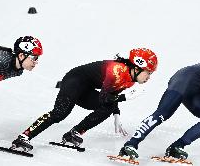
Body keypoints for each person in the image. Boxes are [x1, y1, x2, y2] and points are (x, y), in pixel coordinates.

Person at [11, 48, 158, 151]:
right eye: (148, 73)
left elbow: (110, 97)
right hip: (74, 81)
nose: (148, 77)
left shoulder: (130, 79)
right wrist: (124, 97)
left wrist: (116, 112)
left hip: (86, 88)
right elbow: (105, 97)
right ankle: (24, 136)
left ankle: (73, 134)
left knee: (108, 107)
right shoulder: (117, 71)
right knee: (59, 113)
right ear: (138, 67)